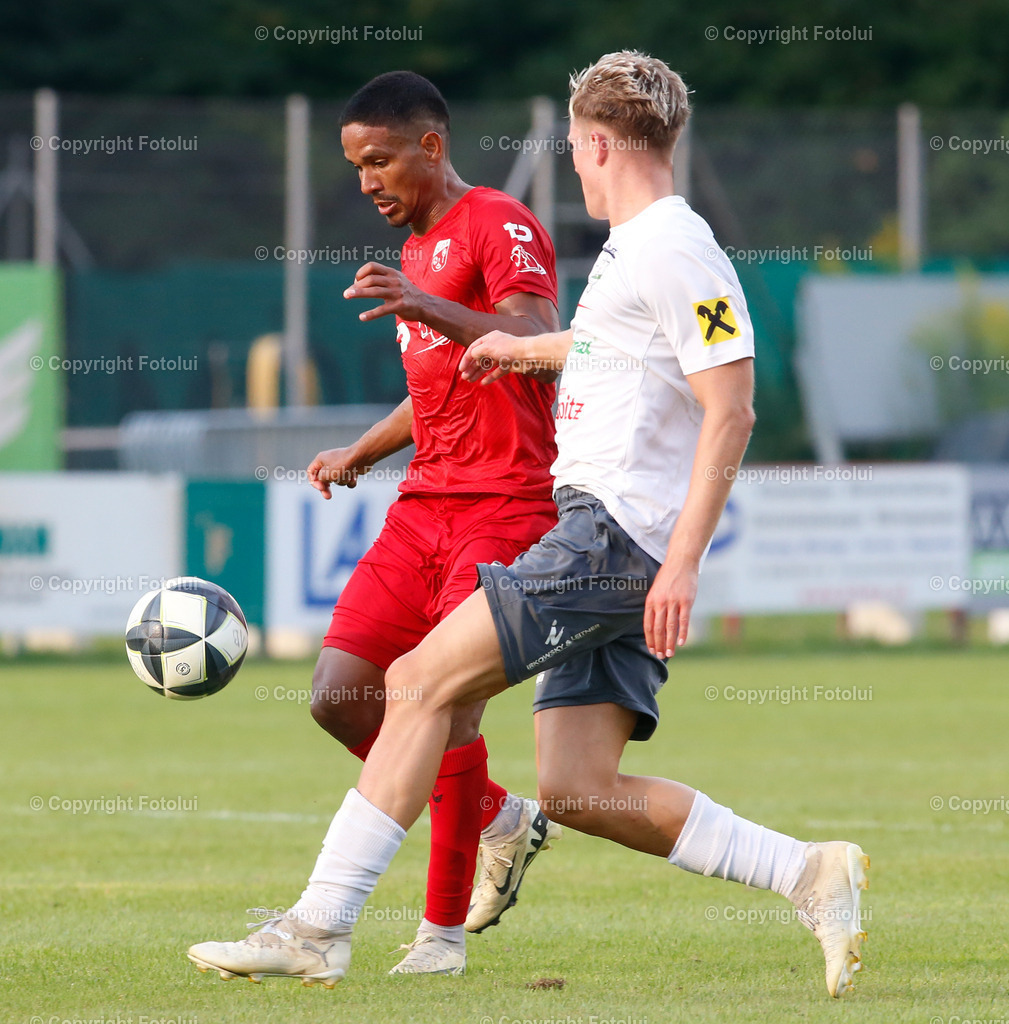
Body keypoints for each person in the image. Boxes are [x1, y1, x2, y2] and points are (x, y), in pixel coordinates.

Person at [189, 52, 869, 998]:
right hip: (610, 534)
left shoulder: (672, 245)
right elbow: (610, 347)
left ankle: (319, 925)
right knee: (579, 788)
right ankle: (806, 871)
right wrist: (519, 345)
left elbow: (733, 407)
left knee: (417, 682)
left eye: (575, 152)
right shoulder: (640, 246)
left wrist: (679, 561)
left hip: (611, 539)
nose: (574, 170)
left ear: (596, 144)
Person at [199, 70, 564, 978]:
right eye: (355, 165)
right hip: (423, 506)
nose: (366, 180)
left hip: (504, 503)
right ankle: (496, 817)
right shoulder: (415, 253)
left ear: (429, 147)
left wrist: (424, 304)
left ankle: (436, 943)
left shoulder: (497, 222)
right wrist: (362, 451)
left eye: (378, 160)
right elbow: (437, 383)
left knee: (440, 704)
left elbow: (533, 336)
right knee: (338, 694)